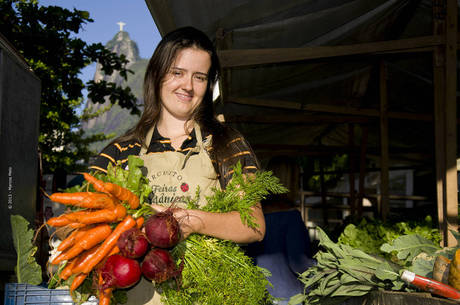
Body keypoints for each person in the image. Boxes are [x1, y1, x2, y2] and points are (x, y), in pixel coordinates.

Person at [89, 26, 265, 304]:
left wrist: (193, 221)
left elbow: (254, 225)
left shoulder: (226, 144)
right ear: (157, 75)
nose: (188, 86)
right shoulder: (119, 152)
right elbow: (80, 225)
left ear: (208, 85)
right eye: (177, 72)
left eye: (200, 77)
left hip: (211, 296)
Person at [246, 156, 315, 305]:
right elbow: (299, 263)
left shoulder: (254, 213)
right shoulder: (290, 216)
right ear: (291, 181)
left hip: (257, 293)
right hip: (286, 296)